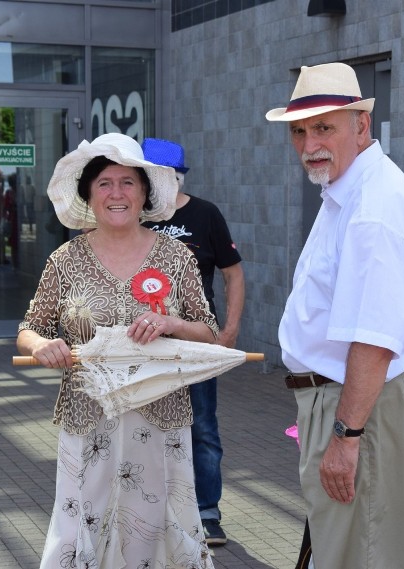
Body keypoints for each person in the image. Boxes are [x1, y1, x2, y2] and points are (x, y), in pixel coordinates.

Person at [266, 62, 404, 569]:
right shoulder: (348, 190)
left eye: (324, 126)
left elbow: (374, 338)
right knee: (353, 551)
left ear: (361, 125)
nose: (307, 143)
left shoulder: (373, 205)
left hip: (362, 406)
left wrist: (345, 437)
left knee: (360, 556)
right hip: (354, 403)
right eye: (299, 130)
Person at [17, 132, 217, 569]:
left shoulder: (175, 256)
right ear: (89, 194)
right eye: (105, 183)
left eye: (128, 182)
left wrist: (172, 323)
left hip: (159, 416)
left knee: (156, 521)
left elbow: (209, 333)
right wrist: (43, 345)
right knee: (83, 518)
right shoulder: (65, 259)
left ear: (145, 192)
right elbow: (30, 328)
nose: (117, 193)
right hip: (88, 416)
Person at [141, 137, 245, 546]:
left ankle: (206, 511)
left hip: (197, 341)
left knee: (200, 426)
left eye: (159, 177)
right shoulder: (133, 216)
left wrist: (230, 329)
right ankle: (149, 507)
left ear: (177, 177)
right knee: (144, 426)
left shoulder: (205, 214)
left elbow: (233, 273)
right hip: (144, 342)